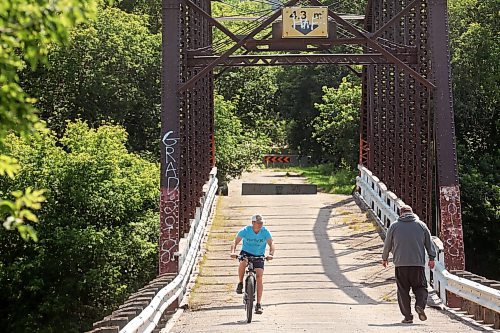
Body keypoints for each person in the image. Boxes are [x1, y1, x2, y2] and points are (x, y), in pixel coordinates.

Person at [382, 205, 436, 324]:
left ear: (401, 214)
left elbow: (387, 244)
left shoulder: (394, 226)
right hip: (417, 264)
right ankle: (420, 305)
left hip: (400, 264)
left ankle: (407, 317)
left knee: (403, 290)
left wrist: (384, 258)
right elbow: (429, 243)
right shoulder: (421, 225)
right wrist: (432, 258)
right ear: (412, 213)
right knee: (421, 287)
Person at [230, 214, 275, 314]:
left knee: (259, 276)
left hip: (259, 255)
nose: (260, 225)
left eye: (261, 223)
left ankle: (258, 304)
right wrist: (233, 252)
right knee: (242, 262)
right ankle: (241, 283)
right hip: (246, 252)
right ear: (253, 223)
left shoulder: (265, 232)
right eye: (258, 223)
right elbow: (235, 241)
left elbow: (271, 243)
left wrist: (271, 254)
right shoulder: (246, 230)